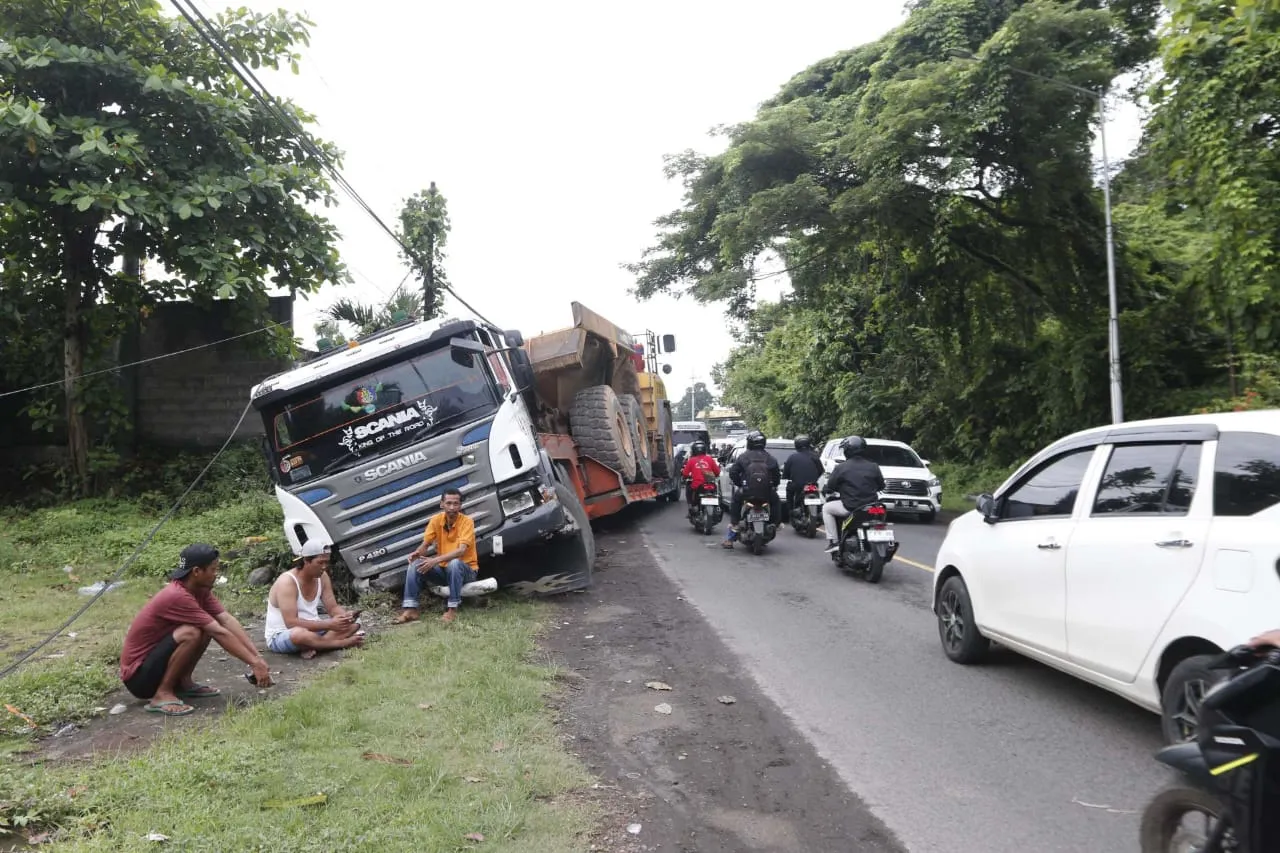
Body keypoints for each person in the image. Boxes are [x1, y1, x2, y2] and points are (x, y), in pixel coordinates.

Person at [119, 544, 273, 717]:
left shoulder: (200, 591)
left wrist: (257, 658)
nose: (216, 574)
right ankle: (162, 694)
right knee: (191, 633)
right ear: (197, 571)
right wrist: (253, 663)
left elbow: (226, 620)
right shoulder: (176, 595)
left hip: (154, 666)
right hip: (138, 677)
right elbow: (219, 632)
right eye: (213, 569)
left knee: (205, 627)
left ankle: (184, 684)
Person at [265, 540, 365, 659]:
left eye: (326, 562)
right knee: (299, 634)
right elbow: (291, 623)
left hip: (314, 631)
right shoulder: (287, 582)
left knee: (355, 623)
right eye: (320, 562)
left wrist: (345, 617)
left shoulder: (322, 577)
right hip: (284, 634)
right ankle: (340, 643)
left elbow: (333, 608)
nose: (324, 567)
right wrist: (329, 624)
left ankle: (315, 646)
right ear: (306, 561)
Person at [397, 487, 479, 624]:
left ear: (460, 505)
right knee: (416, 564)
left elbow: (461, 551)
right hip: (445, 571)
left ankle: (452, 609)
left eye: (456, 503)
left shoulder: (467, 522)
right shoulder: (435, 520)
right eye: (448, 503)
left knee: (454, 563)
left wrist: (435, 560)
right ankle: (411, 609)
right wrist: (417, 554)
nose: (452, 507)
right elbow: (425, 545)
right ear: (441, 504)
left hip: (467, 571)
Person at [823, 436, 887, 552]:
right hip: (872, 507)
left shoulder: (841, 467)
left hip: (850, 506)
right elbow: (882, 486)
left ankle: (834, 542)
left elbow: (830, 486)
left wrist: (828, 489)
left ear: (847, 450)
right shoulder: (873, 466)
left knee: (826, 508)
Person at [722, 430, 780, 548]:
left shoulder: (743, 457)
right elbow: (777, 476)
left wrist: (740, 484)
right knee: (776, 502)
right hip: (766, 492)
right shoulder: (770, 458)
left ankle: (734, 525)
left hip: (747, 492)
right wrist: (773, 486)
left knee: (735, 502)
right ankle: (775, 523)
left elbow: (733, 472)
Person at [782, 435, 825, 519]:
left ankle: (791, 511)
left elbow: (785, 473)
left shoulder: (792, 457)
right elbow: (821, 470)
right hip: (813, 484)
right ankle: (819, 511)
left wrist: (787, 477)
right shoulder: (815, 456)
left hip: (797, 485)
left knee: (789, 490)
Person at [681, 440, 721, 506]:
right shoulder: (710, 459)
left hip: (697, 486)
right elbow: (717, 472)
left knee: (688, 489)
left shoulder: (691, 460)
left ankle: (690, 506)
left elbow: (685, 473)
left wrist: (685, 477)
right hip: (711, 485)